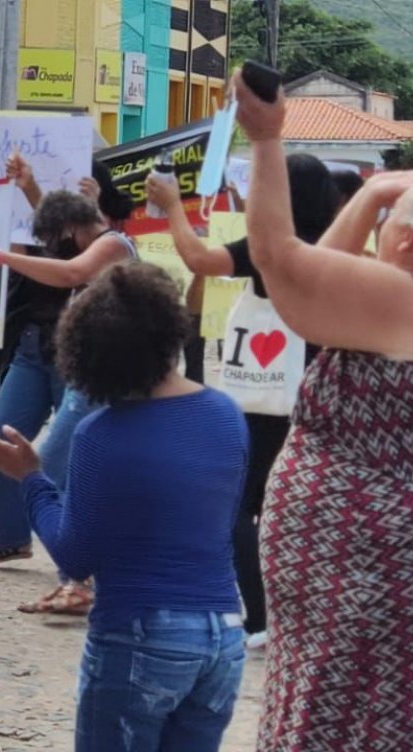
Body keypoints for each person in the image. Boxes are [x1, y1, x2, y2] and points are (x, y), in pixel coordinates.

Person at [0, 263, 248, 752]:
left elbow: (74, 556)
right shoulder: (225, 414)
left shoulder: (101, 436)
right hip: (222, 634)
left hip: (141, 634)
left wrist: (32, 480)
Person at [234, 74, 413, 750]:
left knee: (339, 715)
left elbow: (283, 263)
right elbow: (309, 304)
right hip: (358, 556)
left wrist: (267, 139)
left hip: (362, 559)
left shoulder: (402, 304)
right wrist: (370, 197)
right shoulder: (388, 311)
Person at [145, 151, 341, 649]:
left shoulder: (268, 248)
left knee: (236, 509)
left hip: (260, 398)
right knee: (290, 510)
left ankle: (259, 618)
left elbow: (198, 260)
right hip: (312, 398)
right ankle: (298, 616)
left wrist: (171, 206)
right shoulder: (333, 250)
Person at [0, 168, 137, 615]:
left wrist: (1, 256)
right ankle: (61, 568)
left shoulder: (112, 244)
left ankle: (80, 579)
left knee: (52, 470)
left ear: (72, 228)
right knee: (14, 449)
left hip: (98, 376)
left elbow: (74, 269)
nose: (53, 245)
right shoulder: (85, 236)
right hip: (74, 366)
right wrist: (31, 186)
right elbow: (57, 233)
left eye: (58, 236)